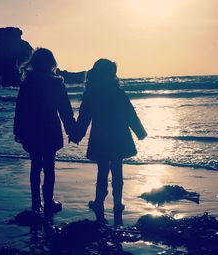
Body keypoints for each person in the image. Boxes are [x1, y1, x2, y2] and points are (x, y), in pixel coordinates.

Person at [71, 59, 147, 226]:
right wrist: (140, 132)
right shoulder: (118, 93)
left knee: (102, 171)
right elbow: (130, 115)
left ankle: (99, 201)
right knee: (117, 170)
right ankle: (117, 203)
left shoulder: (91, 94)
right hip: (119, 136)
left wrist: (76, 135)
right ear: (111, 75)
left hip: (101, 137)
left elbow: (84, 118)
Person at [14, 48, 75, 216]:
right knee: (49, 166)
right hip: (50, 129)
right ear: (51, 63)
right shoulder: (56, 84)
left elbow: (20, 109)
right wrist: (72, 130)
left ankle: (36, 204)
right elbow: (65, 110)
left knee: (35, 165)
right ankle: (48, 202)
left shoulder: (28, 83)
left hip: (32, 129)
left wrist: (18, 131)